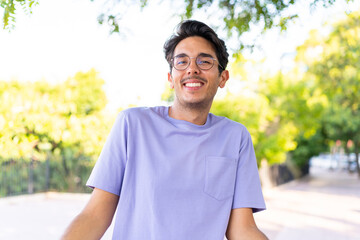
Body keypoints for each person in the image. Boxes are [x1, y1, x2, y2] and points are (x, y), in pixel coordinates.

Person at [61, 20, 268, 240]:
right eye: (182, 61)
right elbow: (94, 216)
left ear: (222, 78)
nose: (192, 69)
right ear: (171, 78)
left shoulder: (235, 137)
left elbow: (242, 229)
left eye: (204, 61)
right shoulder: (133, 125)